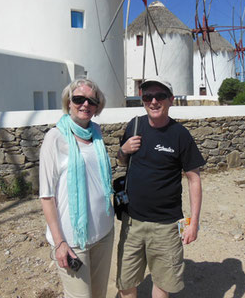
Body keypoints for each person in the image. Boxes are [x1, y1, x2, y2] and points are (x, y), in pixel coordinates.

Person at [116, 78, 206, 298]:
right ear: (142, 100)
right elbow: (121, 162)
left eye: (160, 96)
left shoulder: (180, 134)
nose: (154, 101)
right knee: (125, 280)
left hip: (168, 224)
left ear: (171, 100)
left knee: (163, 283)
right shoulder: (134, 125)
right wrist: (124, 150)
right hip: (132, 222)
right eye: (148, 97)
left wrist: (193, 223)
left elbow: (194, 179)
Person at [39, 78, 114, 298]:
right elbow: (46, 195)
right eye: (79, 99)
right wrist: (59, 242)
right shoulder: (55, 138)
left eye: (92, 100)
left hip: (104, 232)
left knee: (99, 294)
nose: (85, 104)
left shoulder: (96, 133)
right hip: (72, 240)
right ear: (69, 102)